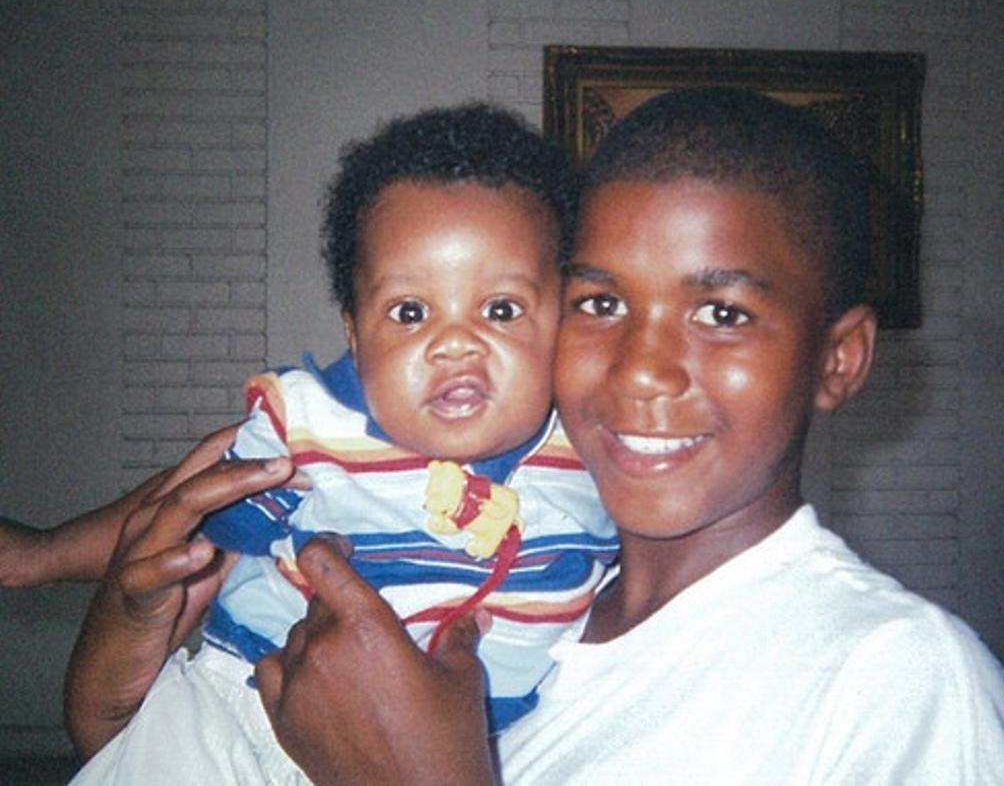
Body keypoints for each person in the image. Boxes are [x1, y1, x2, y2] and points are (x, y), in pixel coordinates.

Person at [65, 88, 1004, 783]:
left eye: (724, 313)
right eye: (602, 299)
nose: (642, 366)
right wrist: (125, 605)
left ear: (839, 358)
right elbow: (117, 735)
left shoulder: (895, 678)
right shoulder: (551, 575)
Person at [66, 104, 618, 783]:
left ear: (563, 318)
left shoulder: (601, 458)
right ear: (354, 336)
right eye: (410, 312)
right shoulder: (318, 426)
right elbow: (178, 527)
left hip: (479, 751)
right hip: (248, 706)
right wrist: (43, 558)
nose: (454, 342)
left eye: (501, 309)